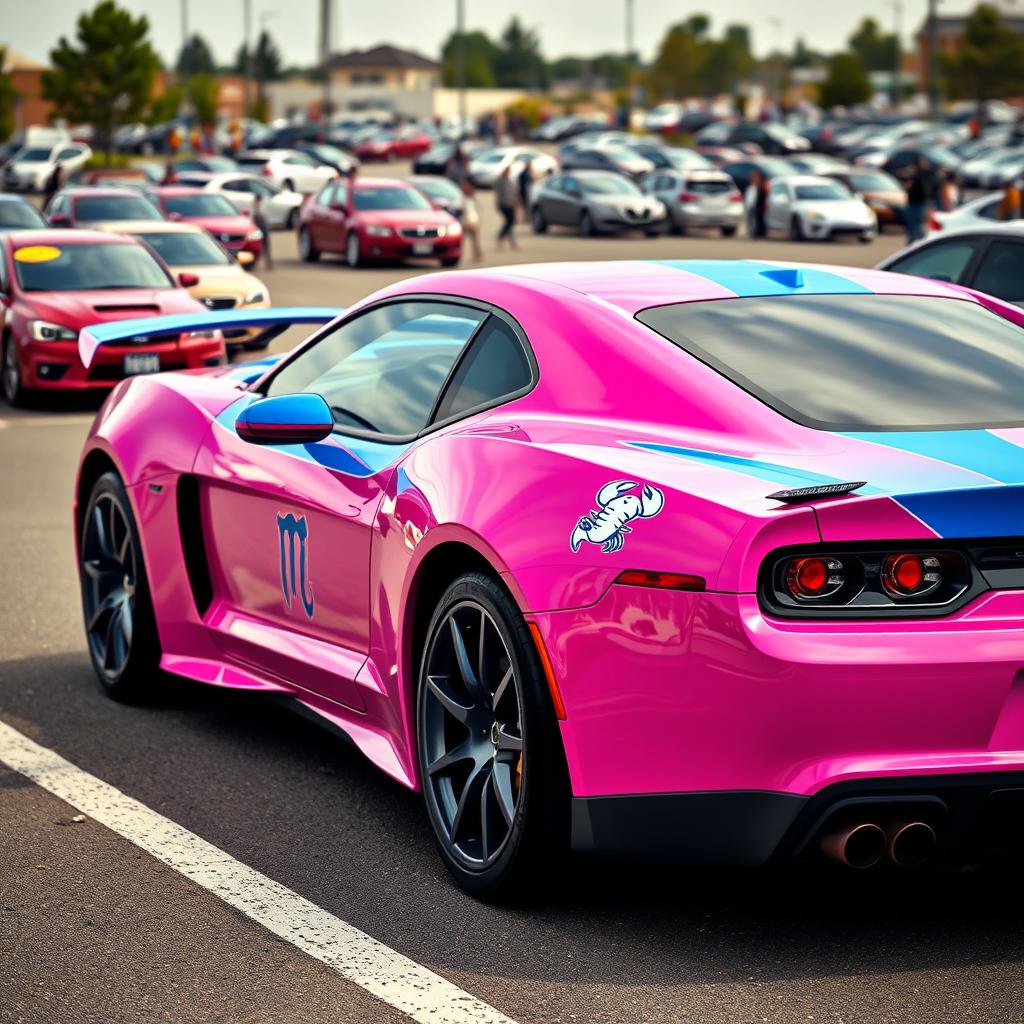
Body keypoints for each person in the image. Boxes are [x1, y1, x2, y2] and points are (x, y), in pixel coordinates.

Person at [904, 156, 933, 243]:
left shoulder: (920, 175)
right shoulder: (921, 174)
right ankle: (916, 240)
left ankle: (919, 241)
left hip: (917, 202)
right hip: (917, 202)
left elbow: (908, 186)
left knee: (915, 224)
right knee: (916, 224)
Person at [495, 164, 518, 250]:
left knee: (510, 223)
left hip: (511, 204)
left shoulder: (510, 181)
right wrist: (497, 205)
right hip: (504, 205)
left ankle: (510, 242)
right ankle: (501, 237)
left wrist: (516, 202)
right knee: (509, 223)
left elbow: (514, 193)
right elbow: (498, 194)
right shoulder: (500, 181)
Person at [745, 169, 768, 240]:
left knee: (761, 221)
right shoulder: (754, 186)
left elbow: (765, 197)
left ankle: (761, 235)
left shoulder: (763, 186)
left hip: (761, 206)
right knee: (754, 220)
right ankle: (755, 233)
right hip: (755, 206)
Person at [252, 194, 272, 271]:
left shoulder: (260, 208)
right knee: (261, 246)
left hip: (263, 227)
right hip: (261, 227)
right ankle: (262, 263)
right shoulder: (257, 209)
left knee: (265, 246)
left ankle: (268, 263)